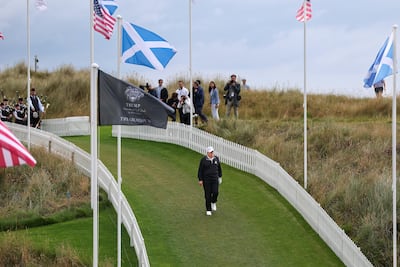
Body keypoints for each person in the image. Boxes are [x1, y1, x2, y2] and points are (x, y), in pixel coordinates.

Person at [197, 146, 222, 216]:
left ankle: (213, 202)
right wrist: (200, 180)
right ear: (207, 153)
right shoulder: (203, 160)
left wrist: (220, 177)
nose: (212, 153)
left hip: (215, 179)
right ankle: (208, 209)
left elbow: (219, 168)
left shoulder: (216, 159)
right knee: (207, 195)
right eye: (211, 152)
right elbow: (200, 171)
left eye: (212, 152)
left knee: (215, 192)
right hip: (206, 180)